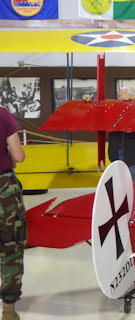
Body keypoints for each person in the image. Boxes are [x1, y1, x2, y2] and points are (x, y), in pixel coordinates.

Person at [83, 86, 135, 182]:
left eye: (123, 96)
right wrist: (89, 99)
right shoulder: (115, 108)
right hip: (117, 153)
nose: (121, 99)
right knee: (118, 185)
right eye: (119, 96)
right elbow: (99, 106)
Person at [0, 106, 27, 320]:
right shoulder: (2, 113)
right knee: (11, 247)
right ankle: (8, 309)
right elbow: (18, 155)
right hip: (4, 188)